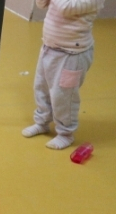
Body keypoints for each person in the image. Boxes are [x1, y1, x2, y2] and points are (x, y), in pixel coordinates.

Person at [21, 0, 105, 149]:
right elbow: (41, 4)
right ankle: (42, 121)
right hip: (50, 47)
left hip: (72, 55)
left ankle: (66, 133)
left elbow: (66, 7)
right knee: (42, 87)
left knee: (64, 96)